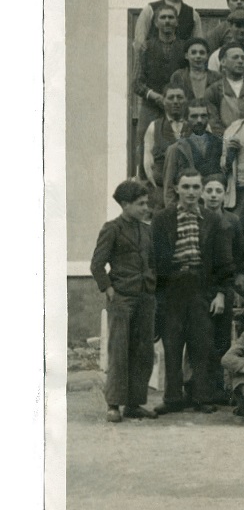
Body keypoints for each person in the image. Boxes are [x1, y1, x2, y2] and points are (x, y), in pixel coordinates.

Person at [150, 169, 236, 414]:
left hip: (201, 288)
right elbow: (154, 259)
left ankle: (201, 396)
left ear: (201, 190)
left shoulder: (212, 219)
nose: (191, 192)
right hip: (172, 288)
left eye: (195, 187)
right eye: (185, 187)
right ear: (176, 188)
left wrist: (220, 293)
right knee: (172, 344)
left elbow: (223, 261)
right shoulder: (162, 218)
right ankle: (173, 398)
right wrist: (158, 295)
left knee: (201, 344)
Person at [90, 180, 160, 422]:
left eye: (146, 203)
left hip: (145, 296)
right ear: (125, 204)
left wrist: (152, 285)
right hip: (121, 296)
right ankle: (113, 405)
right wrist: (109, 290)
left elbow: (152, 261)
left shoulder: (147, 230)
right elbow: (97, 264)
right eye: (140, 204)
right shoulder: (112, 229)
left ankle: (134, 404)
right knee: (119, 350)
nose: (145, 208)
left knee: (143, 351)